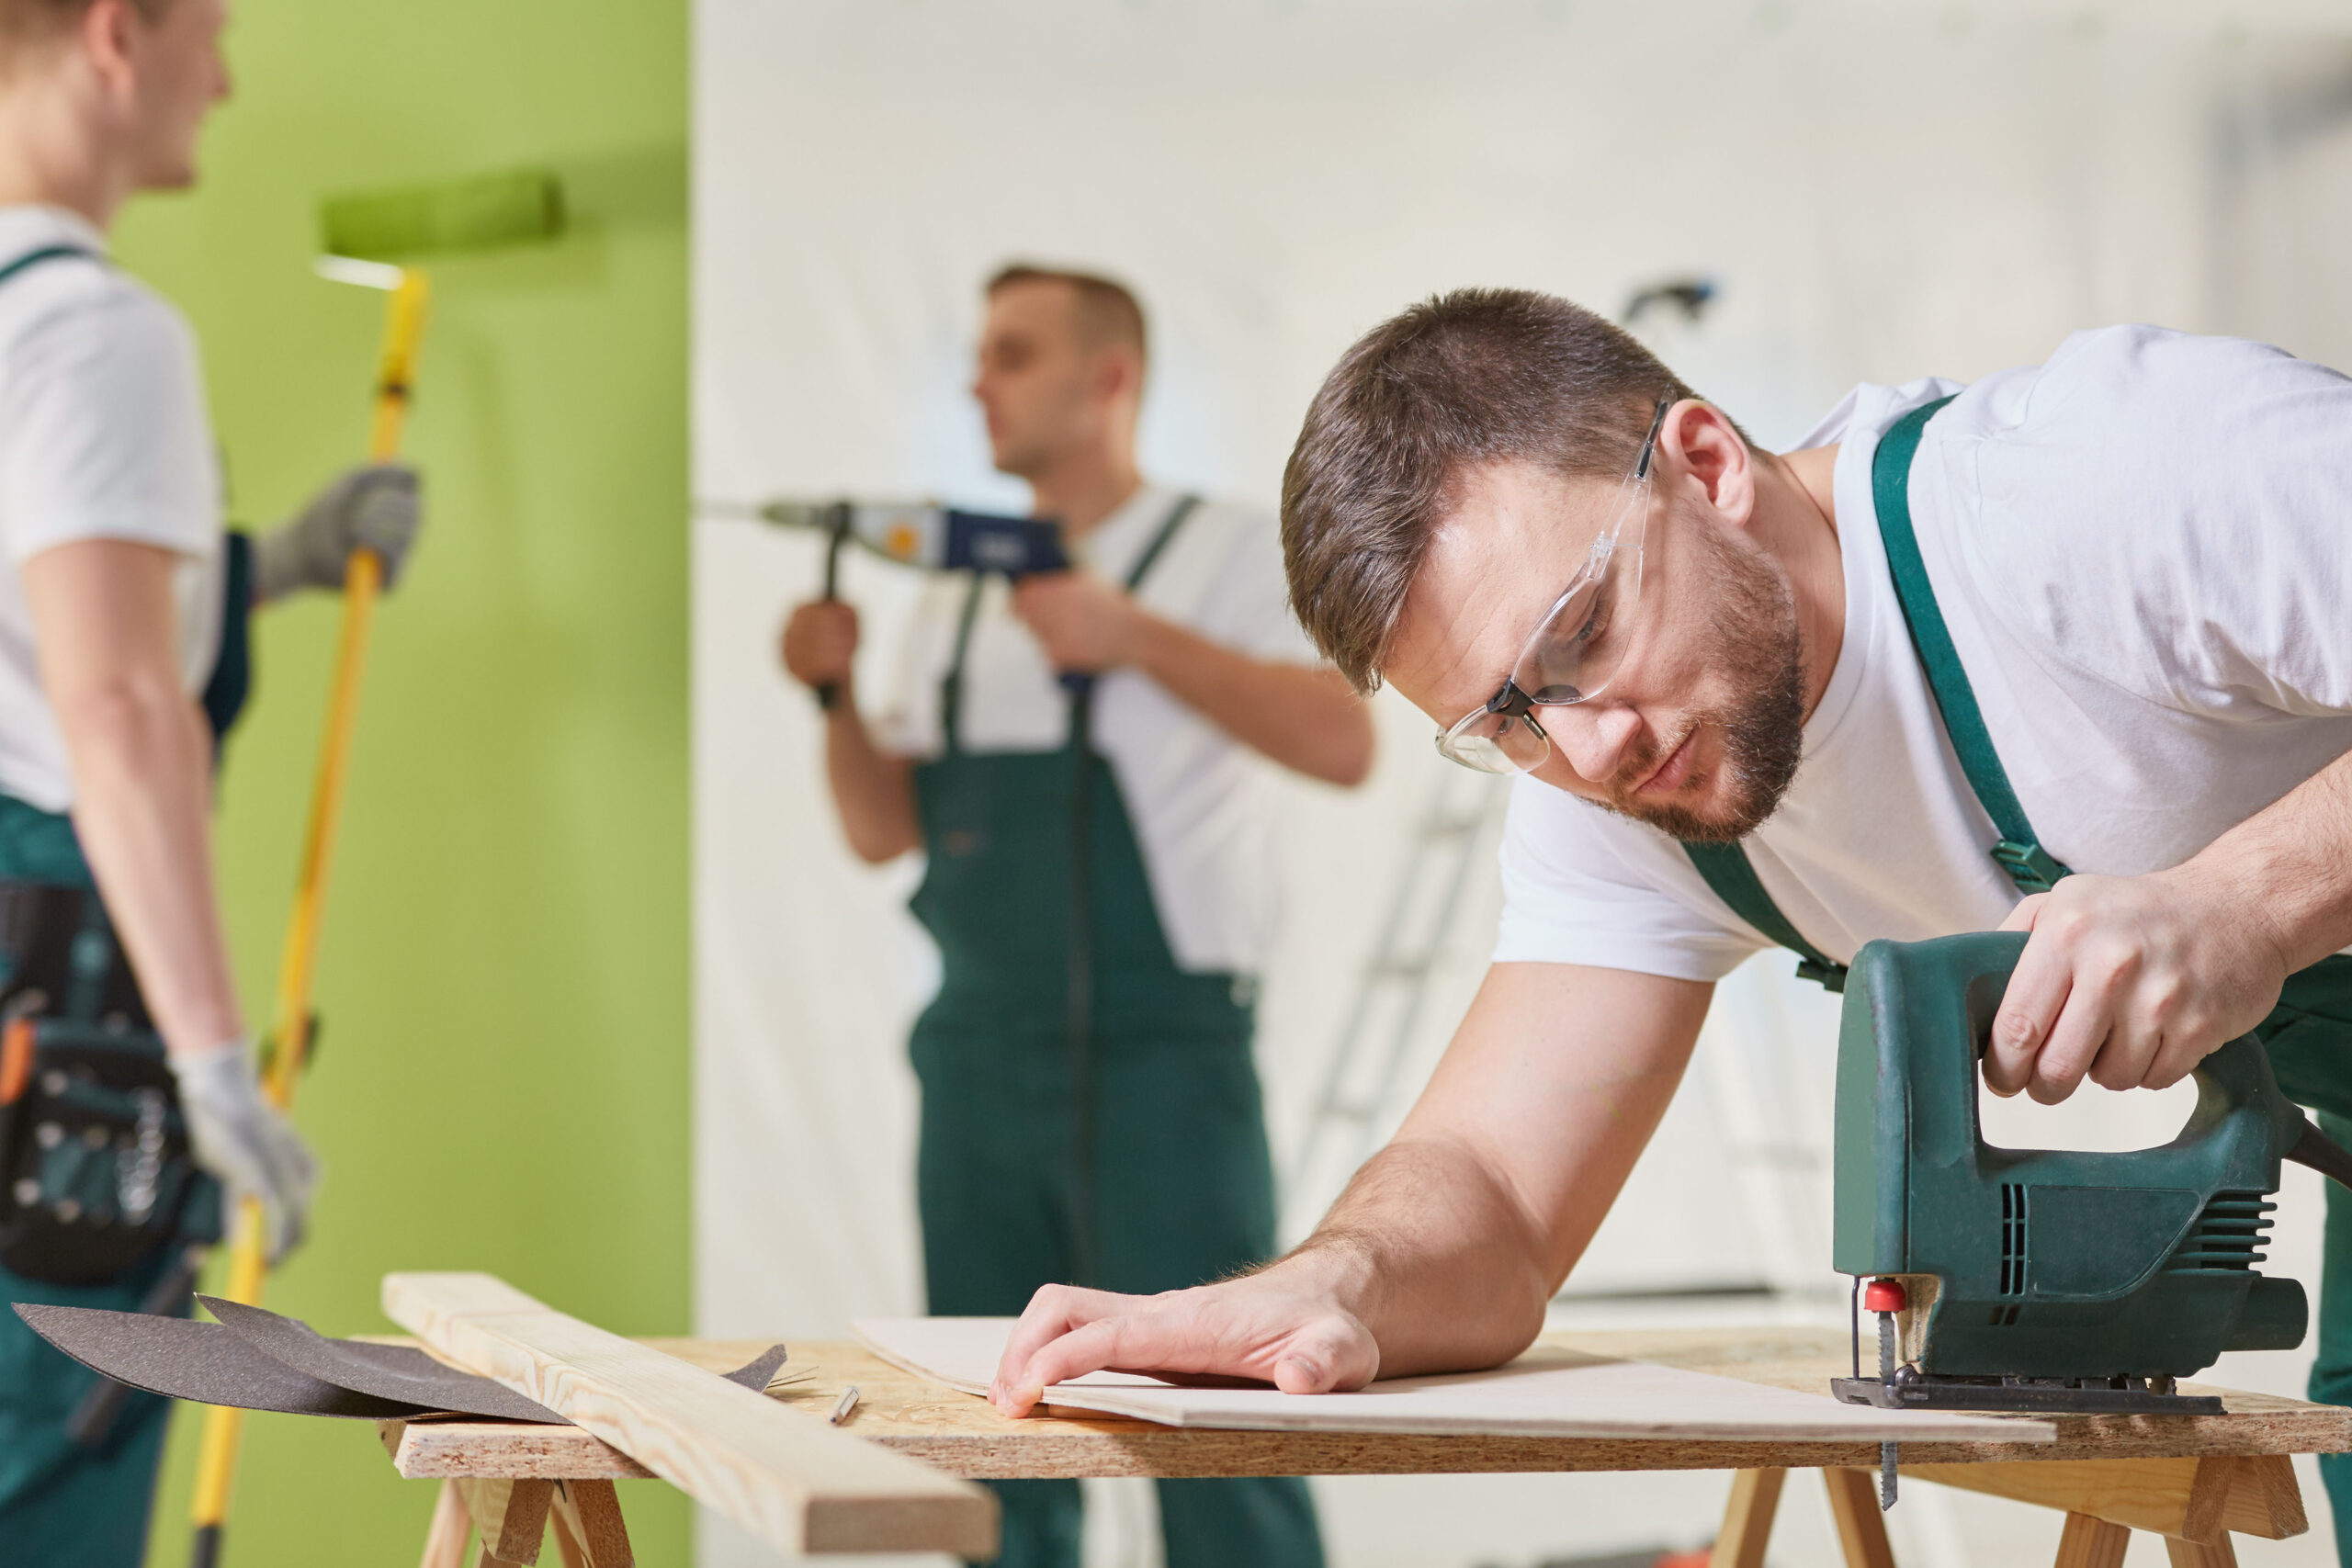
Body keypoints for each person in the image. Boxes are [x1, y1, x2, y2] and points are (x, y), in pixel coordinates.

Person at [986, 288, 2352, 1559]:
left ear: (1706, 464)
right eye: (1504, 719)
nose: (1588, 751)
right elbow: (1497, 1191)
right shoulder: (1618, 802)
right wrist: (1334, 1285)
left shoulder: (2099, 476)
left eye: (1581, 634)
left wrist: (2252, 898)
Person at [781, 264, 1369, 1568]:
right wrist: (831, 695)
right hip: (979, 1062)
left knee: (1220, 1433)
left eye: (1011, 352)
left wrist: (1134, 638)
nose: (975, 380)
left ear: (1110, 379)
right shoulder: (955, 590)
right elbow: (887, 831)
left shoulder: (1221, 548)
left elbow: (1345, 741)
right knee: (995, 1438)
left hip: (1166, 1065)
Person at [0, 0, 423, 1561]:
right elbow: (109, 702)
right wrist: (212, 1062)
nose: (226, 78)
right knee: (48, 1459)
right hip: (54, 1017)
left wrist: (266, 569)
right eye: (213, 34)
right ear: (118, 35)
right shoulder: (96, 333)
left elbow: (35, 637)